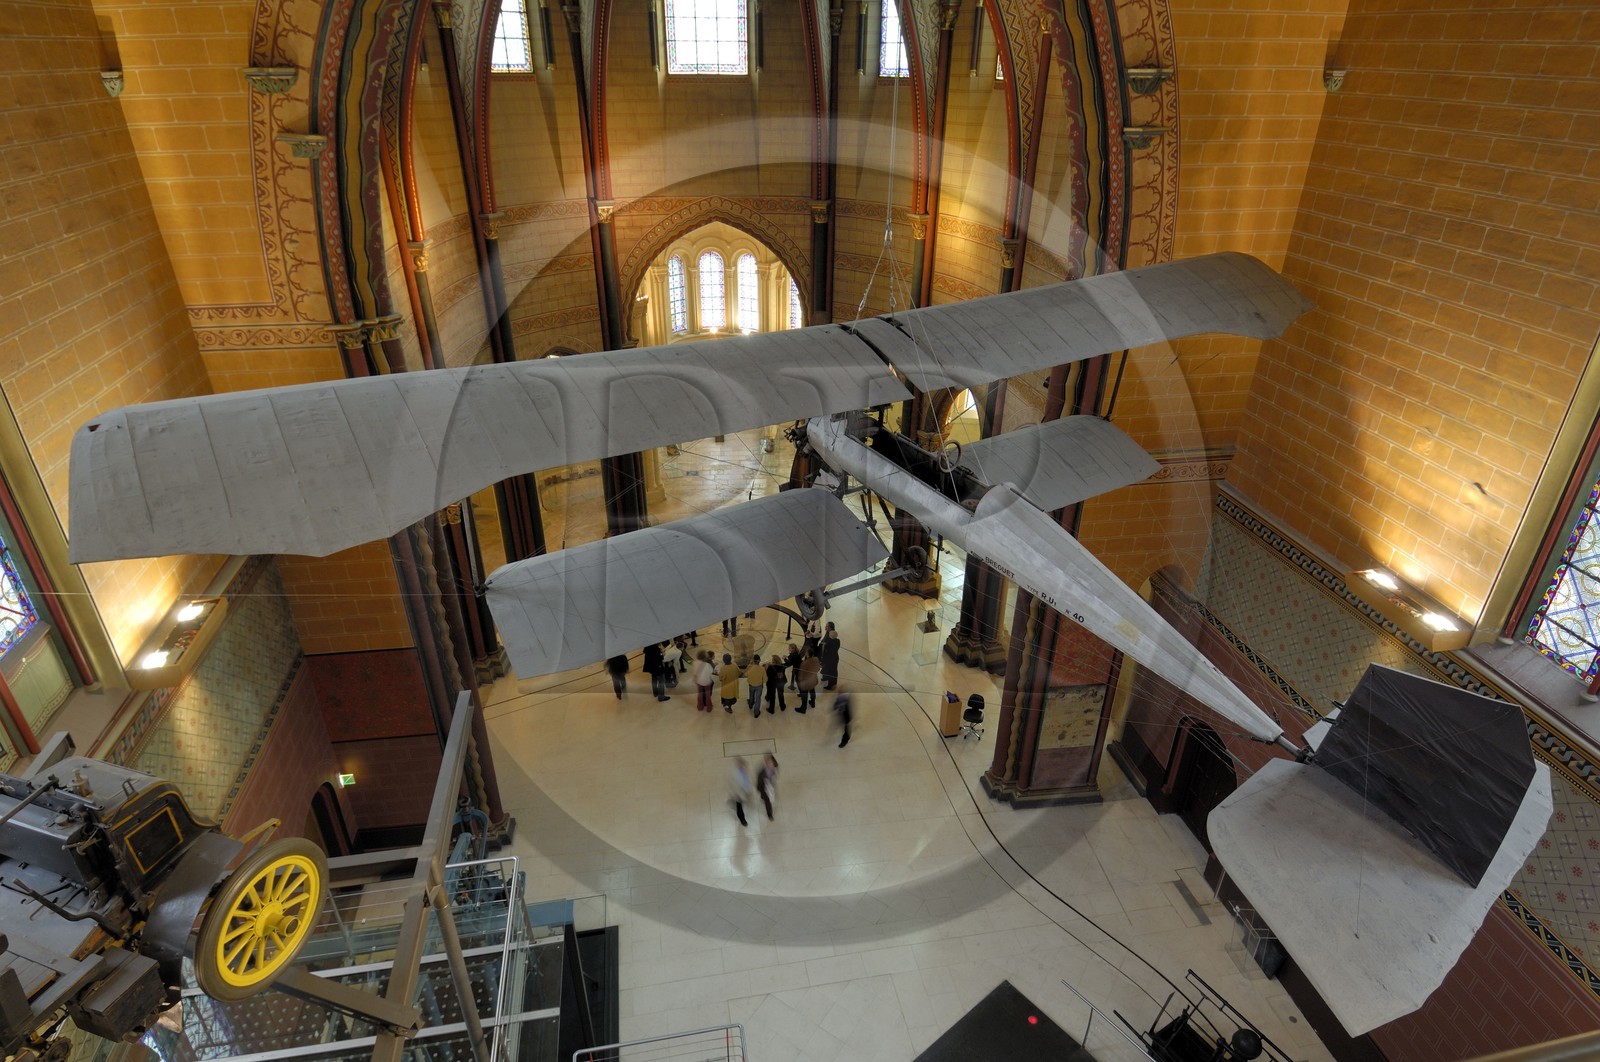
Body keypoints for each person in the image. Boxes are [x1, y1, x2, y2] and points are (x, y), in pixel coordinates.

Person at [729, 757, 753, 827]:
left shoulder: (746, 772)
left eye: (742, 765)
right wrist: (735, 794)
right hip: (738, 793)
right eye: (739, 765)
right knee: (739, 807)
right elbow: (732, 785)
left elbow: (749, 781)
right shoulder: (734, 774)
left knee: (745, 802)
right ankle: (742, 819)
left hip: (746, 791)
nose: (742, 767)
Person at [795, 647, 820, 713]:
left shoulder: (804, 663)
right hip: (813, 680)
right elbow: (818, 669)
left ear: (807, 654)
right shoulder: (816, 659)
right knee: (812, 691)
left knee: (804, 695)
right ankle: (812, 703)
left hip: (806, 682)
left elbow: (801, 676)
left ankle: (803, 709)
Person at [818, 621, 841, 690]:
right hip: (832, 657)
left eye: (827, 626)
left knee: (832, 671)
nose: (825, 627)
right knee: (827, 668)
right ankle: (825, 677)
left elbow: (825, 645)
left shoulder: (829, 640)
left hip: (830, 658)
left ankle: (831, 685)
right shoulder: (836, 640)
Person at [756, 754, 779, 820]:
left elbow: (775, 773)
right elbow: (759, 781)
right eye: (768, 762)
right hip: (763, 788)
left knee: (766, 799)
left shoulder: (774, 768)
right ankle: (769, 814)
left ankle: (763, 798)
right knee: (767, 801)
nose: (770, 764)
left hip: (769, 786)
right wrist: (760, 788)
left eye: (771, 762)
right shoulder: (761, 772)